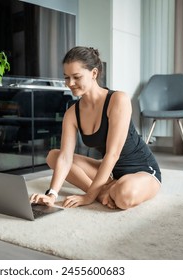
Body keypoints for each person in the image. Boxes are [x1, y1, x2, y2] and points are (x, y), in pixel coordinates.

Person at [30, 46, 161, 210]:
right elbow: (65, 158)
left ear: (94, 73)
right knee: (53, 157)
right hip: (112, 174)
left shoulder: (118, 100)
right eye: (66, 77)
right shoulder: (72, 113)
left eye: (76, 77)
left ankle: (102, 192)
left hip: (141, 171)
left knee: (124, 196)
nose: (70, 83)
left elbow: (113, 154)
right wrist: (51, 195)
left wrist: (88, 197)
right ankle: (103, 192)